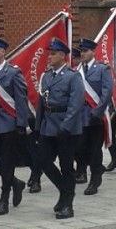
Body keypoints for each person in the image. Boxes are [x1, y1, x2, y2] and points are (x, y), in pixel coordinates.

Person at [35, 37, 85, 219]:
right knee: (42, 160)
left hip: (67, 128)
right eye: (49, 53)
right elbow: (42, 102)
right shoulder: (46, 76)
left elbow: (76, 104)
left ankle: (68, 204)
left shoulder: (73, 76)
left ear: (63, 56)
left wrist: (66, 126)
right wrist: (37, 125)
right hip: (48, 126)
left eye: (53, 53)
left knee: (66, 166)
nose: (49, 56)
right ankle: (64, 191)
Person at [0, 36, 28, 215]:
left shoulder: (13, 72)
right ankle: (16, 183)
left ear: (3, 51)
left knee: (8, 161)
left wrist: (21, 124)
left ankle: (4, 199)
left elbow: (21, 100)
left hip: (8, 122)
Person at [76, 37, 113, 196]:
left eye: (85, 51)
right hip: (79, 116)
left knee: (94, 149)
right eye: (81, 51)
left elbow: (106, 93)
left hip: (95, 116)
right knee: (79, 148)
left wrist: (97, 112)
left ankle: (95, 178)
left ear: (92, 52)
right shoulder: (76, 70)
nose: (82, 54)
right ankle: (84, 170)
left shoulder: (101, 69)